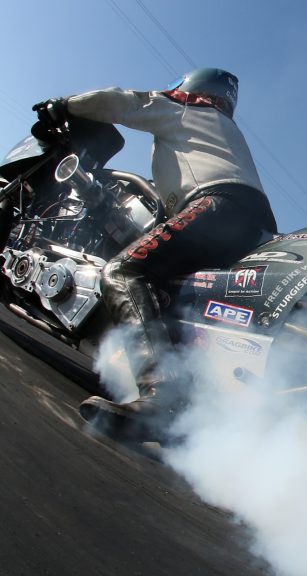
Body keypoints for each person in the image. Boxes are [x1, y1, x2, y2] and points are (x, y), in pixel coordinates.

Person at [36, 68, 277, 437]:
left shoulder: (187, 106)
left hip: (218, 206)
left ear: (189, 85)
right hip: (252, 224)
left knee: (122, 274)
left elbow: (124, 102)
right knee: (175, 297)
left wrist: (64, 104)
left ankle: (159, 393)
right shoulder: (225, 132)